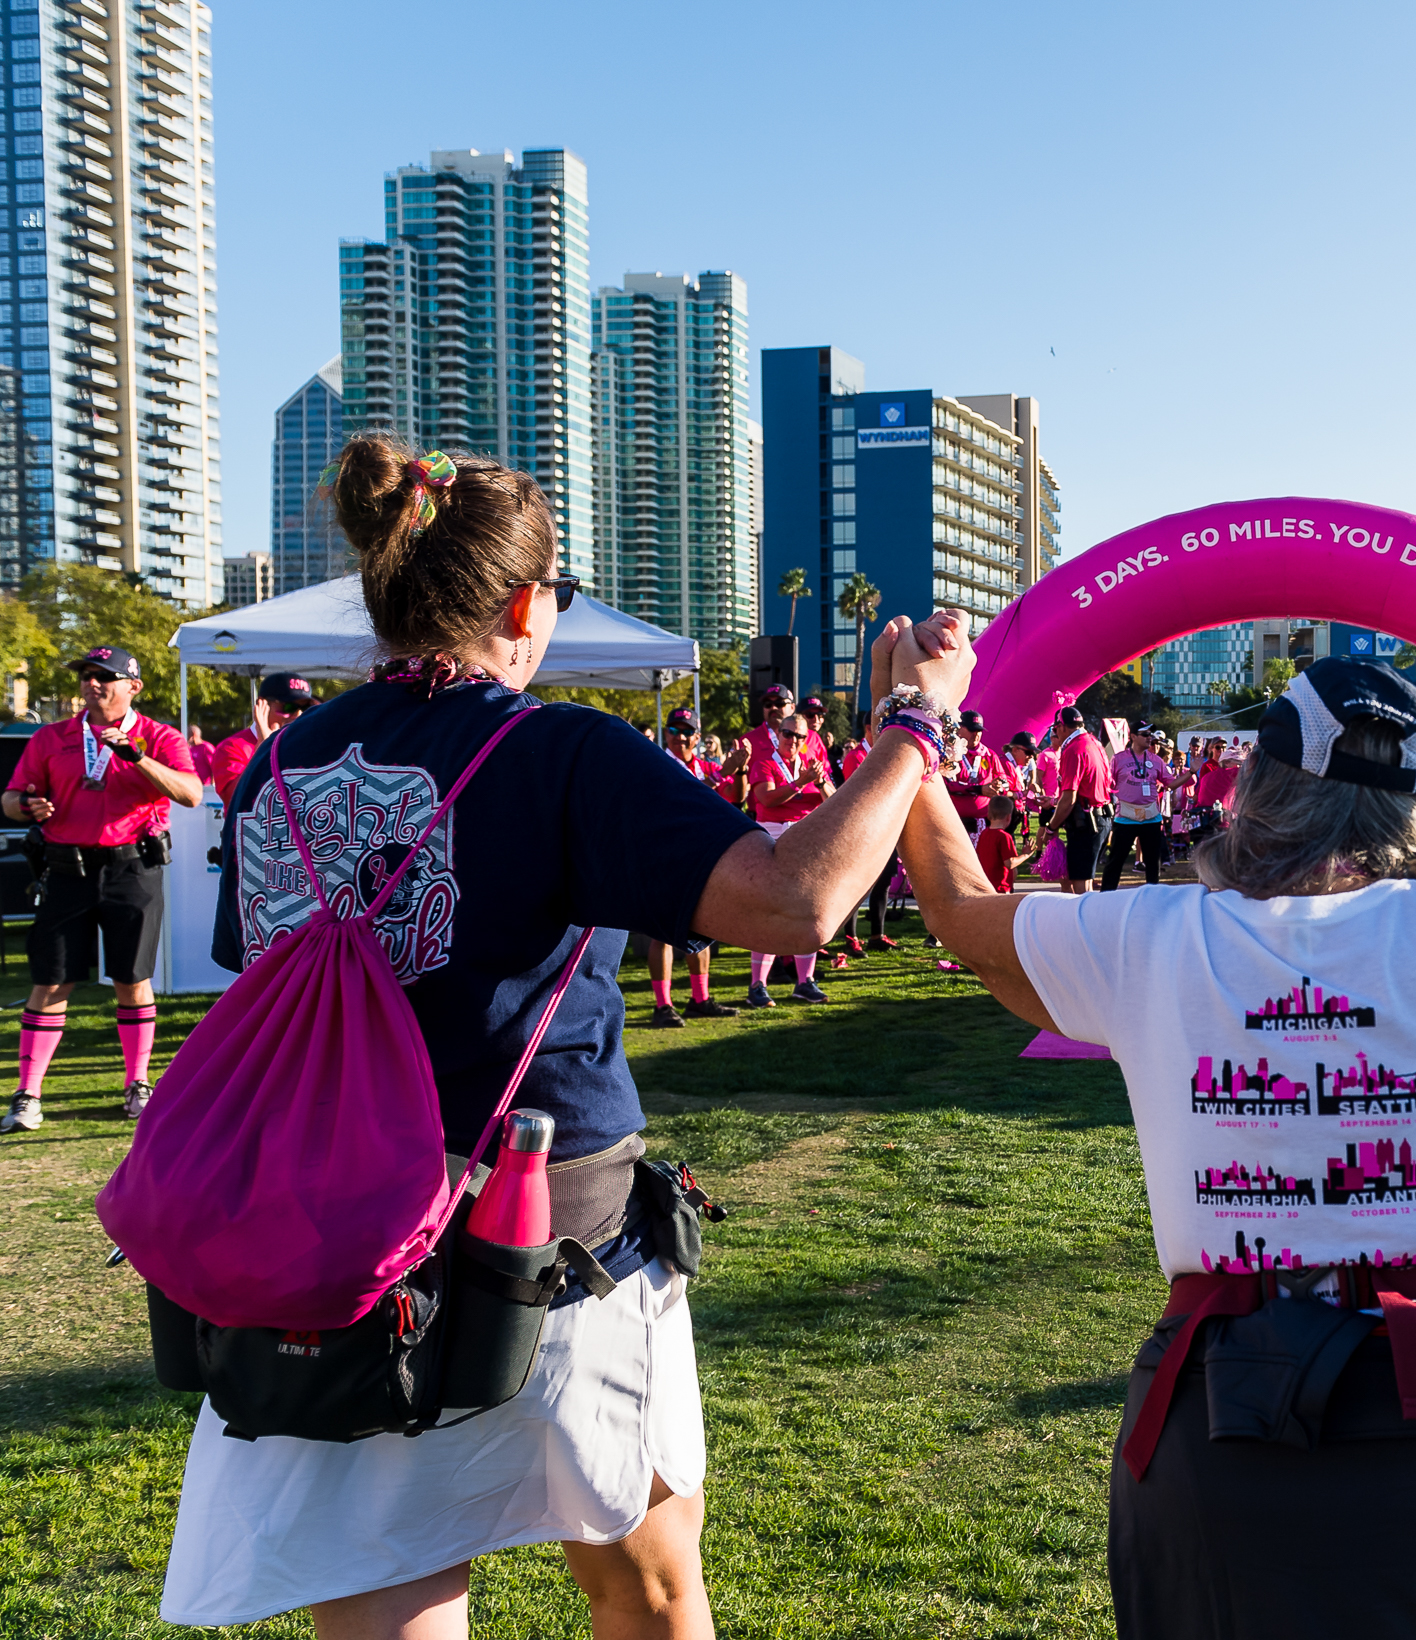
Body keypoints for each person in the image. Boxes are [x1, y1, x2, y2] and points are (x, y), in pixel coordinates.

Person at [163, 433, 960, 1638]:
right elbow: (800, 900)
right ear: (529, 605)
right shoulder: (559, 750)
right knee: (648, 1585)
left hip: (329, 1248)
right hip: (547, 1245)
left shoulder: (277, 765)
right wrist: (915, 720)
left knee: (389, 1593)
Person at [900, 641, 1416, 1640]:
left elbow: (960, 909)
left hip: (1233, 1425)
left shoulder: (1149, 935)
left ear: (1257, 784)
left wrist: (911, 718)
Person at [0, 645, 203, 1131]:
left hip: (132, 868)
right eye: (86, 675)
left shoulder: (159, 736)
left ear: (133, 686)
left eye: (104, 676)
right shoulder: (52, 737)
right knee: (51, 980)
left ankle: (137, 1084)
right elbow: (10, 798)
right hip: (66, 868)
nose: (92, 683)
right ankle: (28, 1093)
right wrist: (26, 807)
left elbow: (191, 794)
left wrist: (138, 758)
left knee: (132, 980)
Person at [636, 709, 741, 1028]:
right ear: (665, 733)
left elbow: (736, 798)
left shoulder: (706, 765)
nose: (679, 737)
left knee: (702, 929)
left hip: (702, 857)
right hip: (664, 856)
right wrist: (723, 773)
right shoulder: (656, 761)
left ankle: (700, 999)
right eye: (673, 730)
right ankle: (663, 1005)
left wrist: (739, 770)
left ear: (697, 737)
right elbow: (685, 799)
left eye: (686, 731)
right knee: (662, 934)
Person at [745, 711, 835, 1006]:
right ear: (778, 734)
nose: (793, 740)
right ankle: (757, 985)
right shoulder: (765, 761)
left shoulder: (811, 763)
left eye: (800, 736)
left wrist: (818, 783)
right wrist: (800, 782)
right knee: (770, 911)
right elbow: (766, 799)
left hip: (806, 838)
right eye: (788, 733)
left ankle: (804, 981)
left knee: (807, 910)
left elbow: (834, 801)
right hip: (773, 837)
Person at [1102, 721, 1187, 890]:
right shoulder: (1119, 758)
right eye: (1145, 734)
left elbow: (1170, 784)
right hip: (1125, 817)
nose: (1150, 738)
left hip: (1150, 818)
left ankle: (1152, 895)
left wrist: (1191, 772)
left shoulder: (1156, 760)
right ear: (1133, 736)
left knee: (1153, 862)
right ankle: (1106, 895)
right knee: (1115, 861)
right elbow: (1107, 782)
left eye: (1151, 735)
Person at [209, 675, 318, 800]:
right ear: (262, 704)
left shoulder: (306, 745)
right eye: (289, 707)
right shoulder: (232, 747)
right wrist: (264, 752)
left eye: (306, 708)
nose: (298, 715)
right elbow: (235, 799)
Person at [1049, 704, 1113, 894]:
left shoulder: (1074, 748)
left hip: (1086, 822)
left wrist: (1051, 827)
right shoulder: (1093, 742)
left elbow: (1069, 798)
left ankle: (1085, 914)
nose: (1055, 734)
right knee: (1082, 879)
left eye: (1055, 730)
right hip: (1099, 818)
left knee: (1080, 884)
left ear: (1062, 727)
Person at [975, 792, 1019, 893]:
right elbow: (1010, 863)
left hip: (986, 886)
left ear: (988, 815)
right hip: (1002, 887)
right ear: (1008, 817)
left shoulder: (984, 834)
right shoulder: (1004, 837)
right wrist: (1025, 855)